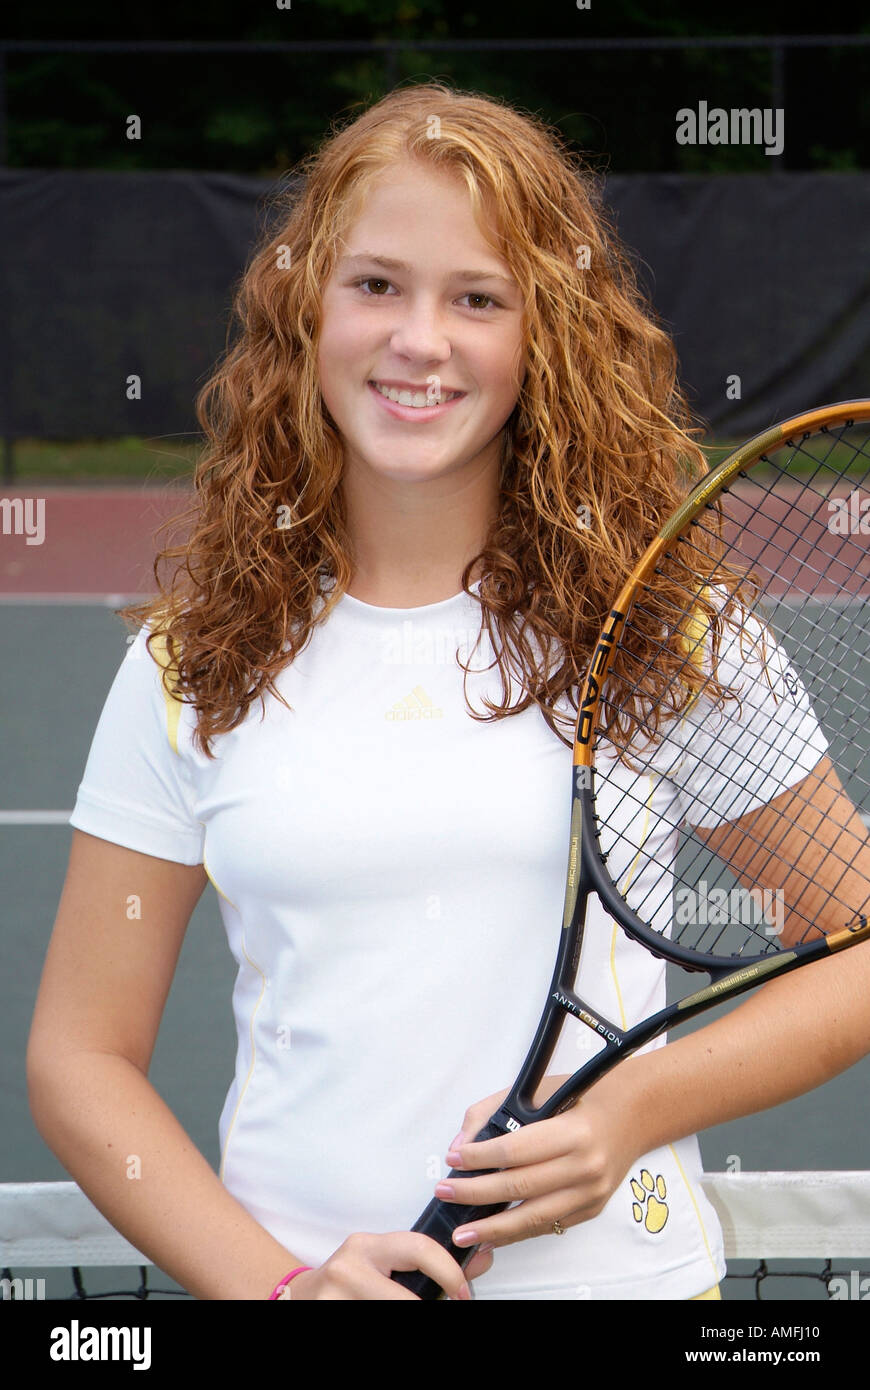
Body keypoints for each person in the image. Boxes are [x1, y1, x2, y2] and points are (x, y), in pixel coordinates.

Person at [27, 82, 870, 1301]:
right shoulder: (190, 661)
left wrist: (630, 1107)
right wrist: (280, 1286)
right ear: (306, 306)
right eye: (375, 285)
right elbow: (80, 1056)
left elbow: (852, 943)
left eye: (478, 299)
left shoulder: (664, 631)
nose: (419, 340)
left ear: (546, 337)